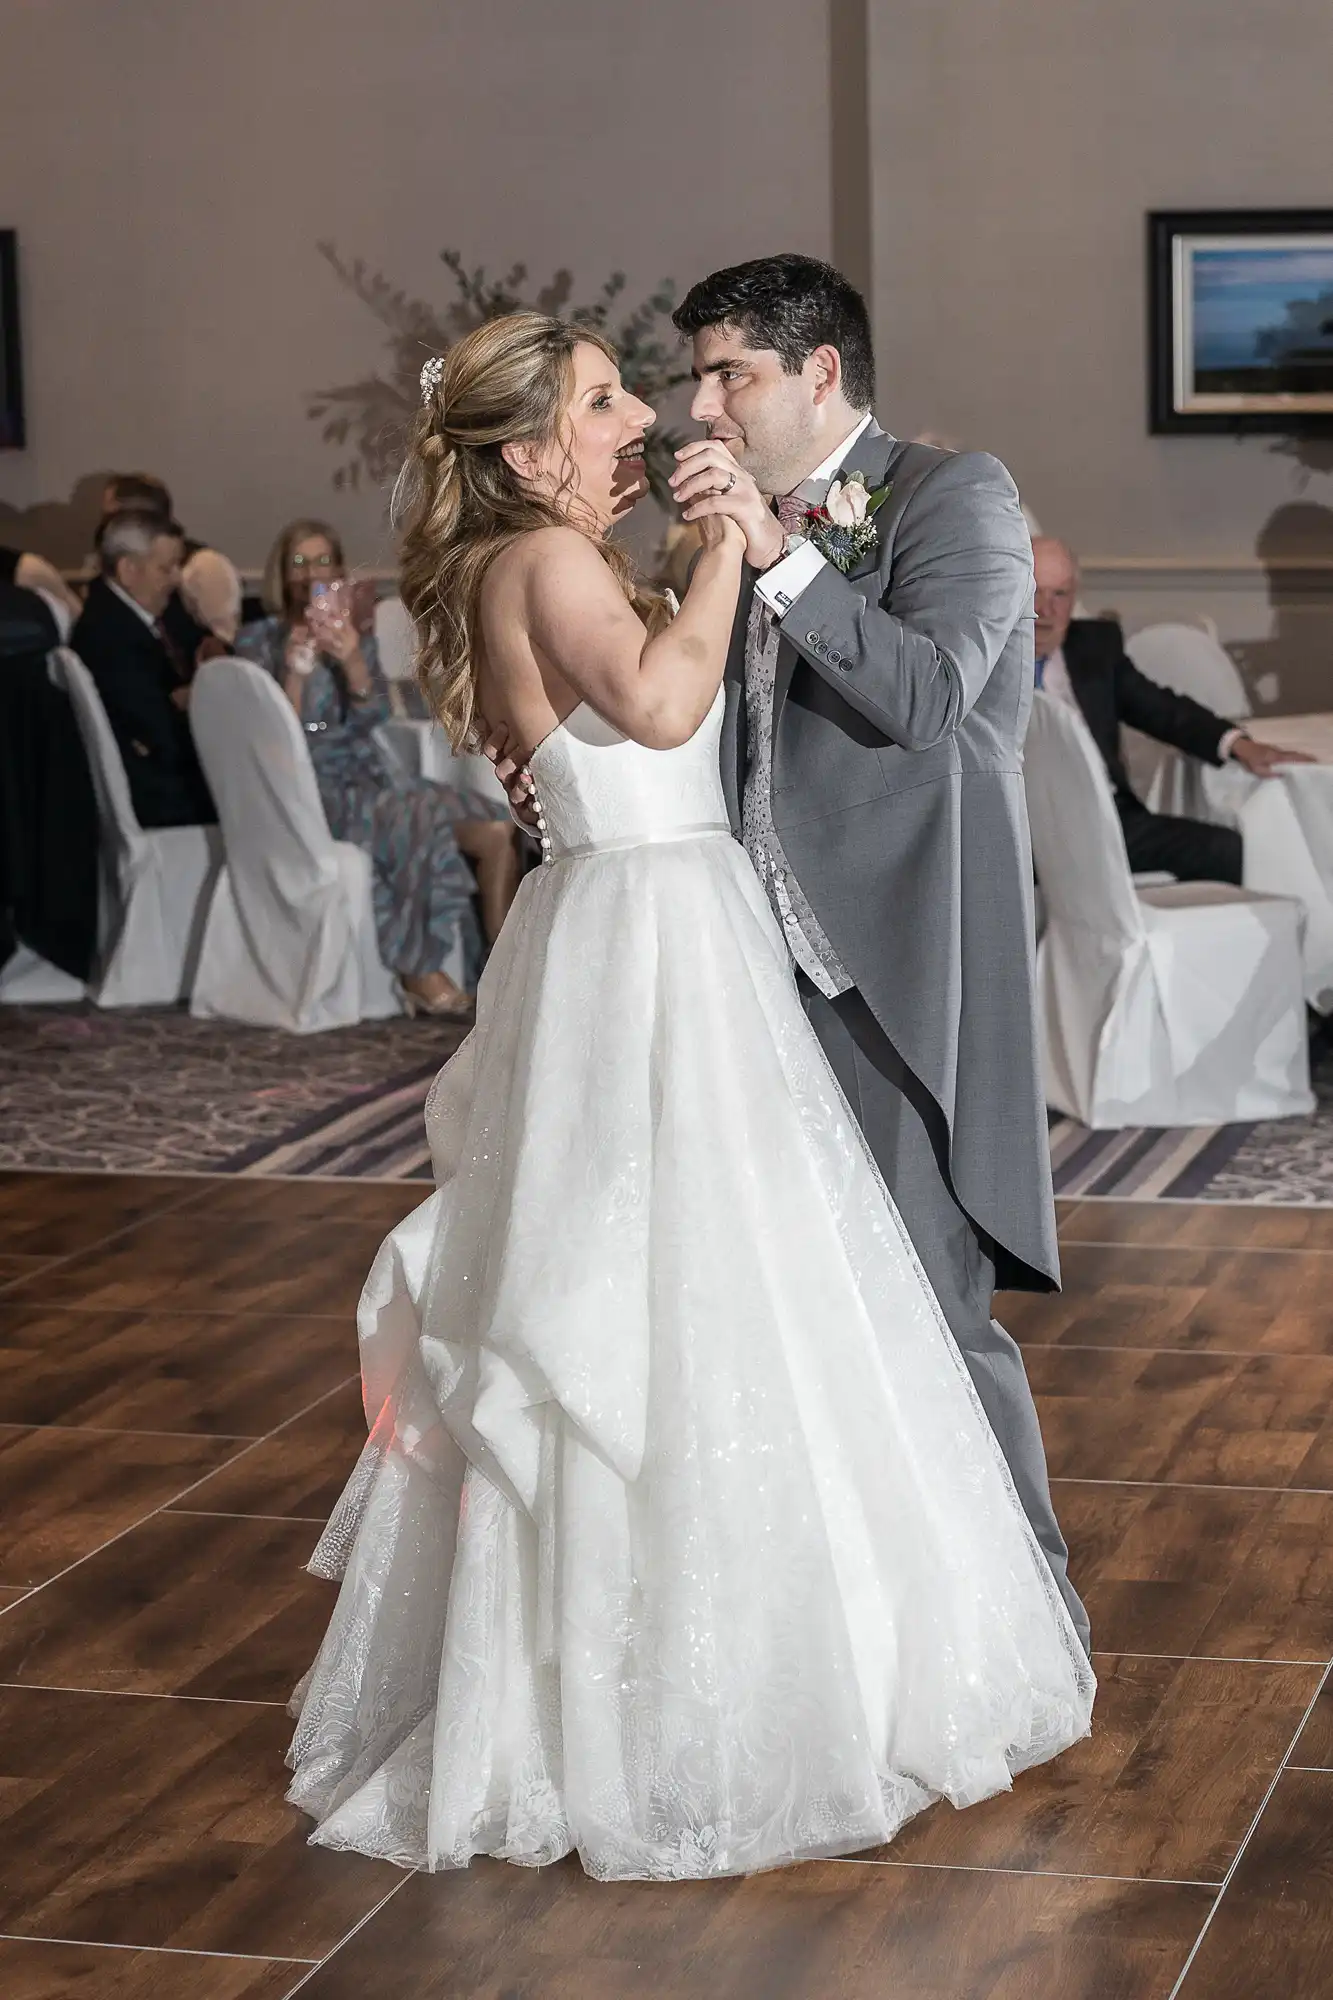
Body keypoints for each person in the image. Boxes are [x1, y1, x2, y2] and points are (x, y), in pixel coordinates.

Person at [285, 313, 1093, 1882]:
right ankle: (681, 1709)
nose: (641, 420)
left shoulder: (537, 562)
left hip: (659, 927)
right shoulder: (550, 560)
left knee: (709, 1292)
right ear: (525, 454)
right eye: (601, 403)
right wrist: (737, 538)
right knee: (676, 1295)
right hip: (652, 949)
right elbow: (663, 709)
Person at [236, 519, 517, 1013]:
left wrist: (352, 664)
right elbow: (278, 743)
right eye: (299, 562)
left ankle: (505, 974)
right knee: (418, 817)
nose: (311, 573)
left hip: (369, 773)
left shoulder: (352, 635)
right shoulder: (259, 641)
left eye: (323, 561)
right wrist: (295, 674)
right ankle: (418, 970)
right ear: (281, 573)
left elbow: (374, 719)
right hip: (312, 787)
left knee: (496, 828)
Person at [1032, 536, 1312, 884]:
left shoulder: (1094, 647)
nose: (1046, 610)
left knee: (1230, 851)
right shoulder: (979, 659)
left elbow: (1162, 709)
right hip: (1019, 829)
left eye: (1060, 594)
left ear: (1074, 597)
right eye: (1033, 591)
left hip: (1108, 818)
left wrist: (1238, 744)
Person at [71, 509, 216, 828]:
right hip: (164, 800)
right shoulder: (104, 635)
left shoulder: (160, 605)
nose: (178, 577)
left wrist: (195, 688)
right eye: (167, 568)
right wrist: (201, 697)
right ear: (128, 570)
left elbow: (207, 645)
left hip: (177, 775)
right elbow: (162, 733)